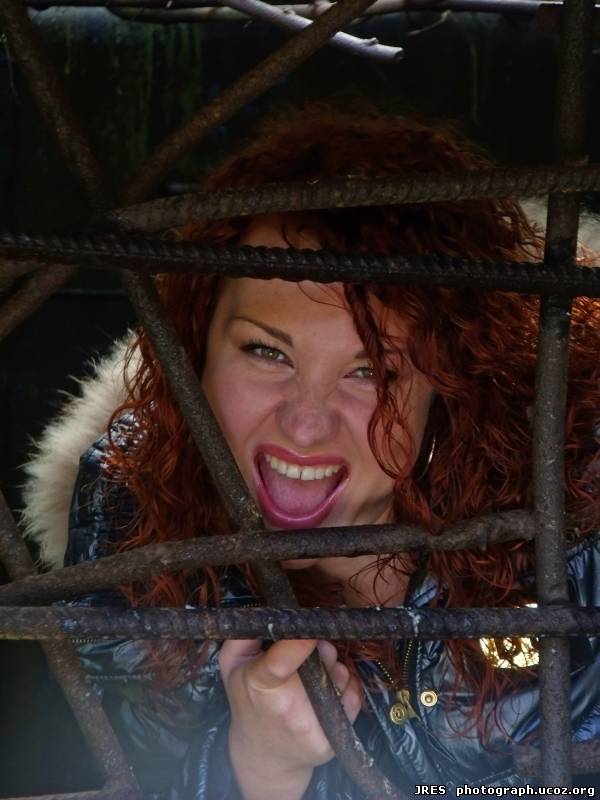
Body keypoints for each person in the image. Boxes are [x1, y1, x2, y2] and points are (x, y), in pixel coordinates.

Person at [23, 102, 600, 800]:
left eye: (371, 371)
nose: (304, 425)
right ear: (197, 345)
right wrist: (256, 769)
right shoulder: (132, 507)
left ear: (450, 382)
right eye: (266, 352)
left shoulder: (578, 488)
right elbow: (133, 772)